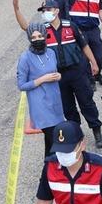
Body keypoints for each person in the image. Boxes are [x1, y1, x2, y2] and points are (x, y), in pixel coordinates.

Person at [13, 0, 102, 148]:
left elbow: (84, 45)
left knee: (86, 103)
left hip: (77, 72)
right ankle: (77, 135)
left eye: (48, 9)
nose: (45, 13)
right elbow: (26, 27)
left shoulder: (71, 26)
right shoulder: (43, 30)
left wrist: (94, 63)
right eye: (43, 11)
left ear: (56, 10)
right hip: (58, 77)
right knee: (68, 108)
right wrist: (16, 10)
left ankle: (96, 130)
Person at [17, 22, 66, 156]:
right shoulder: (25, 58)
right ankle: (54, 172)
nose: (37, 39)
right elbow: (21, 85)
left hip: (55, 103)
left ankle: (46, 175)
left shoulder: (51, 52)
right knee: (56, 140)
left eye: (40, 36)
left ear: (45, 35)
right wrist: (42, 79)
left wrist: (59, 76)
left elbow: (54, 72)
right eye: (33, 37)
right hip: (41, 107)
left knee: (51, 144)